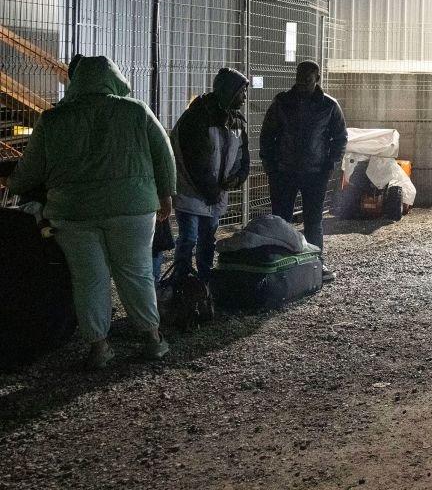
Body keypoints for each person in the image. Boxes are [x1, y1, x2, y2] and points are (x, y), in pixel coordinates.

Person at [5, 56, 175, 368]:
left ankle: (99, 347)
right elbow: (163, 155)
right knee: (135, 272)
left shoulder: (53, 119)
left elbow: (30, 170)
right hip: (132, 208)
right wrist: (166, 195)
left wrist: (15, 182)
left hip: (73, 212)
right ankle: (152, 339)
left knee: (89, 279)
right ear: (115, 78)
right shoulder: (136, 111)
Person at [260, 61, 347, 282]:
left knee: (311, 219)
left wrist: (330, 165)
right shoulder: (321, 104)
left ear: (316, 78)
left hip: (308, 172)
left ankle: (313, 264)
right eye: (300, 79)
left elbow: (340, 138)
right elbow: (268, 135)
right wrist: (270, 166)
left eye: (307, 79)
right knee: (284, 219)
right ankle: (290, 263)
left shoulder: (292, 103)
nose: (302, 83)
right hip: (289, 171)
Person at [168, 68, 250, 281]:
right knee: (189, 238)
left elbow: (242, 156)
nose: (245, 98)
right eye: (241, 92)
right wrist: (213, 190)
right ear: (230, 91)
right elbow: (194, 162)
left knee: (207, 239)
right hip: (192, 193)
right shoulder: (198, 117)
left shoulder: (237, 122)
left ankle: (204, 281)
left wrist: (238, 177)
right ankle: (181, 281)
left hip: (214, 193)